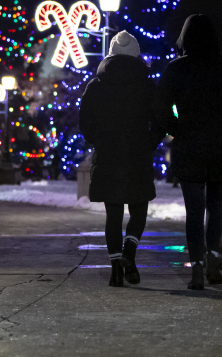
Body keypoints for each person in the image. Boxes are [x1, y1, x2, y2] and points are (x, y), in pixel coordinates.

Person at [156, 15, 222, 290]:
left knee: (194, 210)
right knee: (215, 207)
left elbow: (160, 107)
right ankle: (214, 261)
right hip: (221, 144)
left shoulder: (176, 69)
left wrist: (176, 129)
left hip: (189, 145)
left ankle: (197, 268)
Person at [79, 30, 165, 287]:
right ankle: (130, 251)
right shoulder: (148, 86)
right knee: (139, 207)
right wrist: (150, 142)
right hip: (138, 154)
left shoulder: (96, 86)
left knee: (113, 213)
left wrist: (100, 141)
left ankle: (116, 269)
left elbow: (85, 123)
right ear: (137, 54)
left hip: (107, 156)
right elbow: (160, 120)